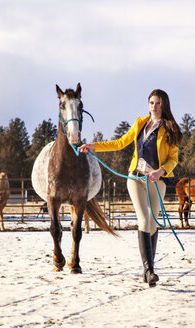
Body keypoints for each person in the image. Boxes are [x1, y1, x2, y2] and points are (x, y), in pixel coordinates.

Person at [79, 89, 182, 287]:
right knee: (144, 220)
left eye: (158, 103)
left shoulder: (170, 129)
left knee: (153, 223)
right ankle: (149, 270)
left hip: (157, 181)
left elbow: (173, 160)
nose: (154, 106)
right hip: (135, 178)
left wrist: (160, 172)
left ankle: (148, 269)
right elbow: (119, 143)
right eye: (151, 102)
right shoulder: (139, 123)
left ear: (164, 105)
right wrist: (93, 146)